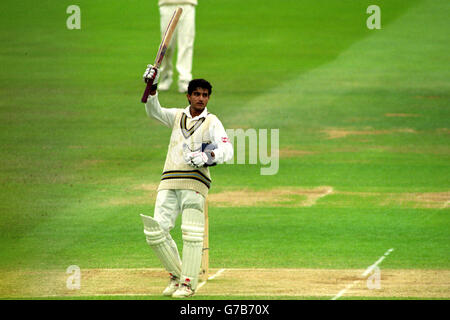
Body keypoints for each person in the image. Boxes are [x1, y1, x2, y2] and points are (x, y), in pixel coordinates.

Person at [140, 64, 233, 298]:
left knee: (191, 232)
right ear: (188, 96)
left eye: (205, 95)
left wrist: (206, 156)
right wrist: (153, 88)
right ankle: (176, 275)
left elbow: (227, 149)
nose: (201, 98)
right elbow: (154, 112)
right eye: (197, 94)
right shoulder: (176, 116)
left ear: (208, 97)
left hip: (195, 183)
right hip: (169, 180)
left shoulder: (212, 121)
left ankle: (188, 284)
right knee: (156, 232)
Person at [157, 0, 197, 93]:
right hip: (166, 5)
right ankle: (165, 76)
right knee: (166, 45)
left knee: (186, 44)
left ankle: (184, 79)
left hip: (188, 4)